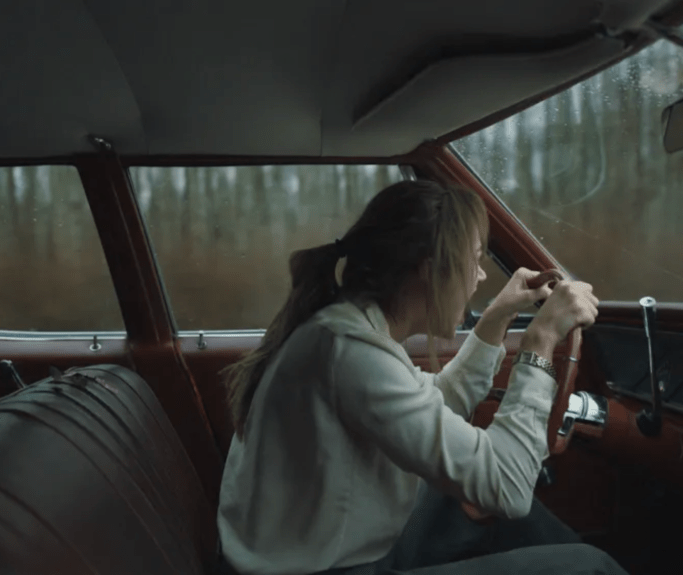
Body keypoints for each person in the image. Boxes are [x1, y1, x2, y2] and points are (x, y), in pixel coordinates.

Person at [216, 180, 627, 575]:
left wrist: (495, 319)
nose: (481, 276)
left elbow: (435, 405)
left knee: (465, 506)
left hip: (324, 552)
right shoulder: (351, 352)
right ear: (430, 271)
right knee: (589, 568)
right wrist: (540, 342)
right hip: (328, 569)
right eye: (474, 260)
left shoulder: (347, 330)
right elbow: (509, 485)